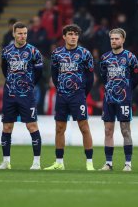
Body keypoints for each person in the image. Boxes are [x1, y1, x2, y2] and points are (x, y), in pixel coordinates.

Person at [44, 24, 95, 171]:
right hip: (62, 96)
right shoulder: (57, 54)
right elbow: (54, 75)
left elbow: (90, 78)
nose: (73, 37)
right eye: (70, 34)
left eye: (76, 34)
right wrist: (60, 89)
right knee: (59, 128)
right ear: (64, 36)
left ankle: (89, 163)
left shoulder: (85, 54)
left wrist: (83, 94)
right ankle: (59, 162)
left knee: (84, 127)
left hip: (78, 96)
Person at [0, 22, 43, 170]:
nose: (22, 36)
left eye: (25, 33)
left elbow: (39, 73)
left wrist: (27, 85)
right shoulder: (6, 51)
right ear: (13, 34)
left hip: (26, 95)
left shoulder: (34, 52)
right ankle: (6, 161)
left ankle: (36, 162)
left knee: (32, 126)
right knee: (7, 127)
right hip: (10, 94)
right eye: (20, 33)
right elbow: (5, 70)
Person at [99, 28, 138, 171]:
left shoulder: (130, 57)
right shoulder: (105, 58)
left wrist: (125, 91)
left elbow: (135, 80)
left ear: (123, 40)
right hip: (109, 99)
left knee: (125, 130)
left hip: (124, 100)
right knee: (108, 131)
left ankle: (128, 163)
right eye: (112, 39)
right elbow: (103, 77)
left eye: (116, 38)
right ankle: (108, 163)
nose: (114, 41)